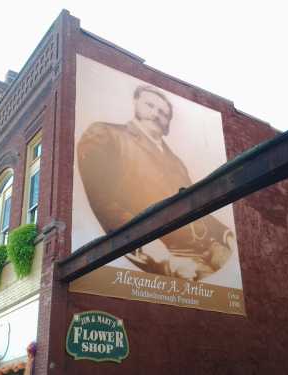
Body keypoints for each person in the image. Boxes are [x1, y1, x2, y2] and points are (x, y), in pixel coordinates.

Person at [77, 85, 234, 280]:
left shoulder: (176, 162)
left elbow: (195, 205)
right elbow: (103, 203)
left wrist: (227, 235)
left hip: (213, 247)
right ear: (135, 103)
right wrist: (158, 255)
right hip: (173, 255)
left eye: (163, 113)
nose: (156, 113)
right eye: (149, 105)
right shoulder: (105, 134)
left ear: (168, 122)